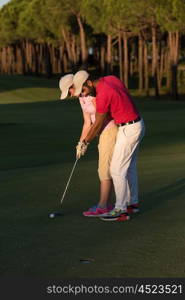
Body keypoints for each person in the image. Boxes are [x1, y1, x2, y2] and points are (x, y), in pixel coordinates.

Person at [72, 71, 145, 222]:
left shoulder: (103, 94)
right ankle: (133, 203)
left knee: (116, 169)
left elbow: (98, 123)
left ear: (89, 83)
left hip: (128, 129)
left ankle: (120, 210)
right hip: (138, 123)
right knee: (129, 167)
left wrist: (85, 142)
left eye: (84, 90)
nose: (83, 94)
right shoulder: (110, 79)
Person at [59, 72, 118, 217]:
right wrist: (80, 143)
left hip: (109, 131)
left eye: (69, 91)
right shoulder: (82, 98)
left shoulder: (92, 94)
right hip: (101, 133)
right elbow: (87, 123)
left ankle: (103, 206)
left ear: (74, 85)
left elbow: (99, 120)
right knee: (104, 168)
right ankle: (105, 204)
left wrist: (86, 142)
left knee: (104, 169)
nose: (70, 94)